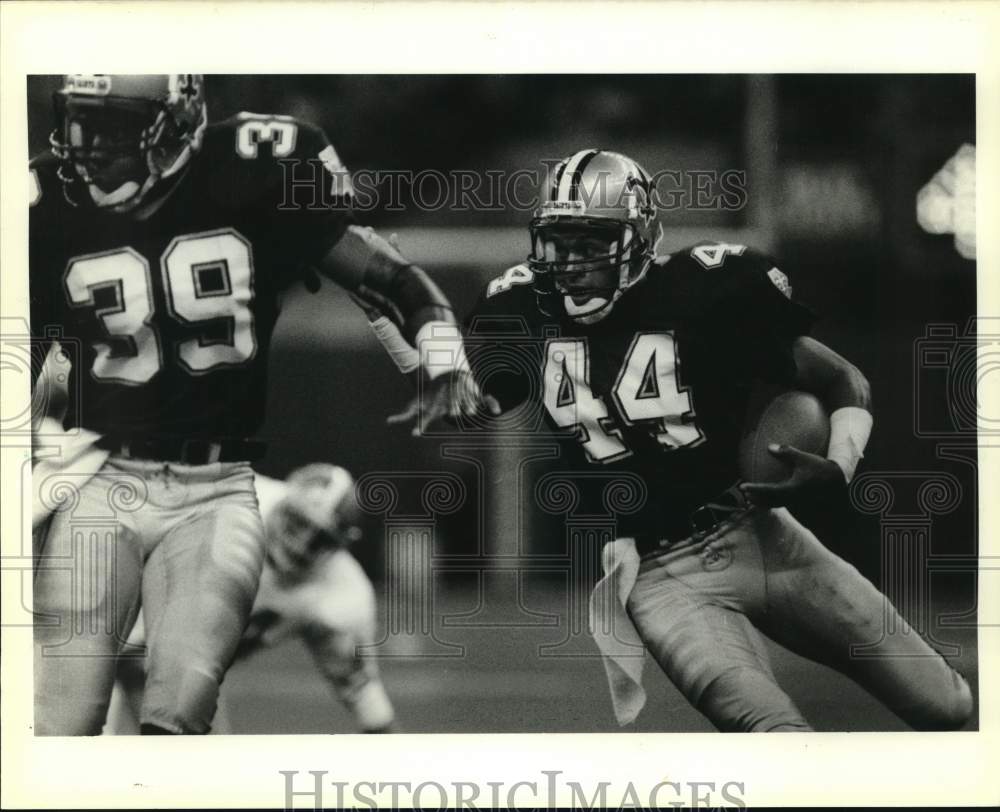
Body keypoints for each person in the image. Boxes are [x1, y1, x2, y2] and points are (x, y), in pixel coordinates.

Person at [28, 74, 493, 735]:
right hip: (101, 475)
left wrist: (439, 353)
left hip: (214, 488)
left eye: (114, 126)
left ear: (176, 125)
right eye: (81, 121)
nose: (88, 145)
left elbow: (386, 274)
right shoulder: (41, 198)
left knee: (178, 714)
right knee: (58, 726)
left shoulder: (259, 167)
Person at [448, 148, 973, 732]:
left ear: (638, 237)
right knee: (776, 735)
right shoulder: (523, 309)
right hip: (662, 576)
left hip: (766, 537)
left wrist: (840, 465)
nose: (571, 263)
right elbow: (474, 396)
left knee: (948, 705)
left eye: (591, 243)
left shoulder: (706, 290)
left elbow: (842, 379)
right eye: (560, 243)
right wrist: (451, 388)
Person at [105, 463, 396, 735]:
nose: (301, 544)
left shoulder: (341, 593)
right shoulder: (226, 501)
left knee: (206, 778)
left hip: (174, 672)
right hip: (108, 633)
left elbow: (361, 691)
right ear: (284, 502)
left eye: (319, 538)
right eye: (297, 524)